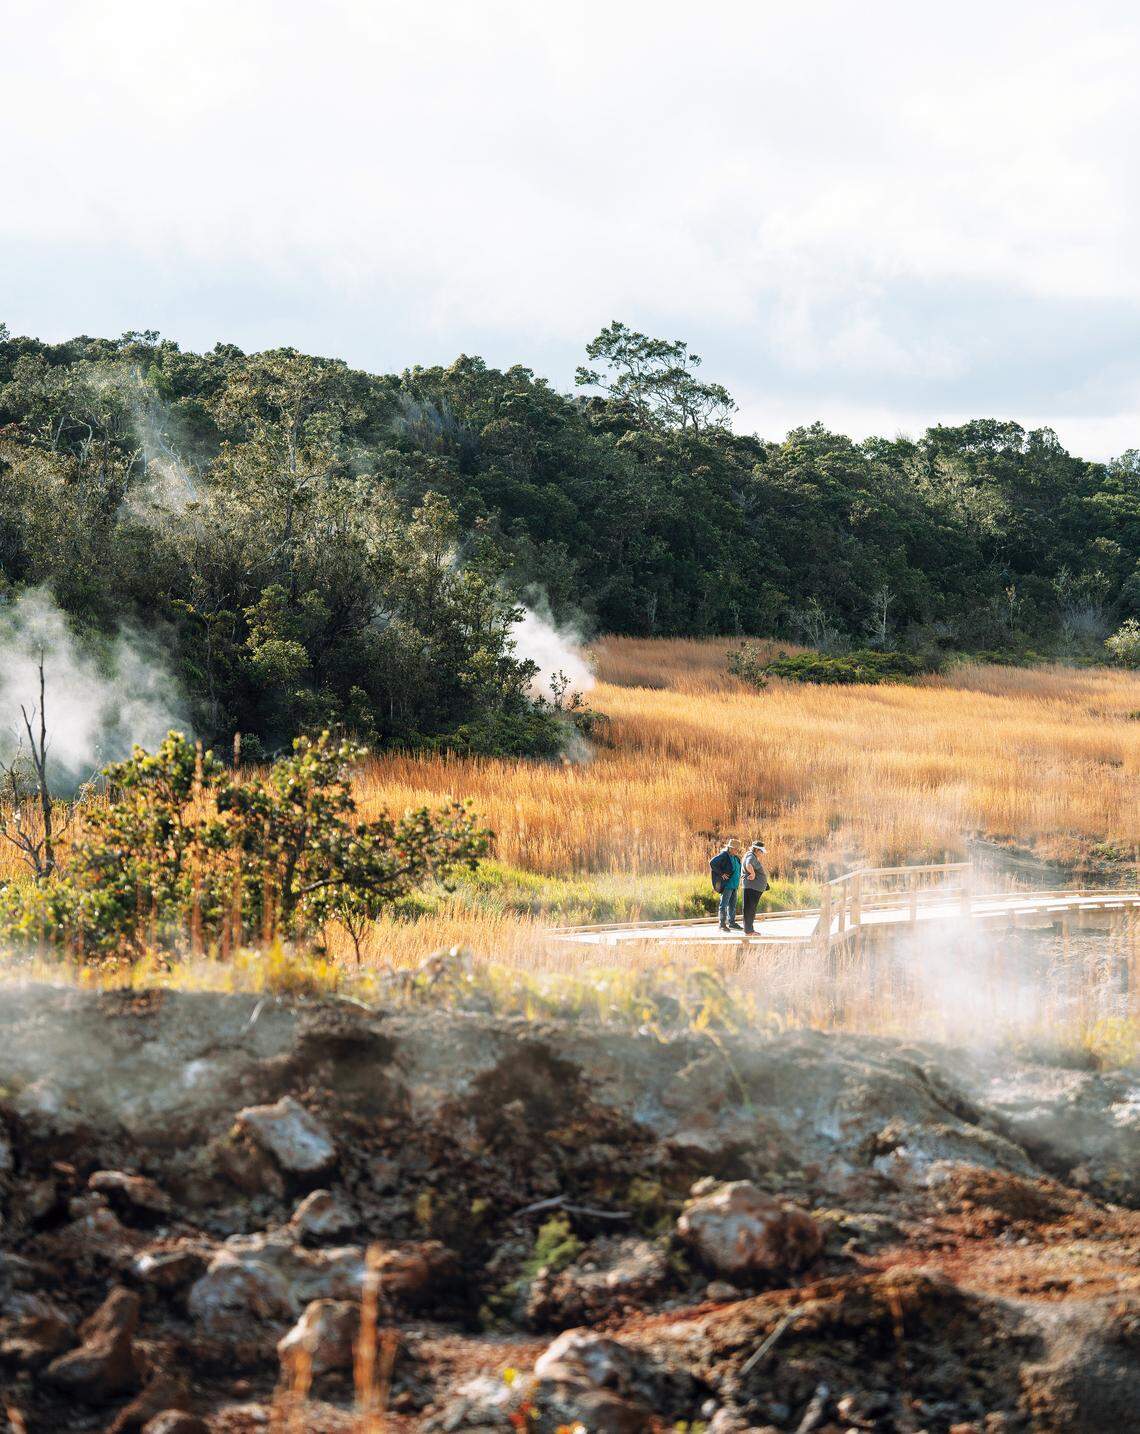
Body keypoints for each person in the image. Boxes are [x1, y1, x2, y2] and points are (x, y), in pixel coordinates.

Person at [710, 838, 742, 931]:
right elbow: (712, 863)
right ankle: (722, 924)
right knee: (723, 905)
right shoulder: (724, 855)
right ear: (730, 848)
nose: (737, 850)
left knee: (732, 905)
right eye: (735, 849)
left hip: (734, 885)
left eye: (737, 849)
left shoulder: (736, 858)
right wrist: (721, 874)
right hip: (727, 885)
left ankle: (732, 923)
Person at [741, 840, 769, 934]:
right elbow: (748, 864)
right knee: (750, 909)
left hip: (753, 887)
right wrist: (752, 873)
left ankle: (748, 930)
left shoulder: (751, 855)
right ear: (757, 850)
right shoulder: (750, 856)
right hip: (752, 887)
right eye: (761, 851)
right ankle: (749, 931)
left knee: (750, 908)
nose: (762, 854)